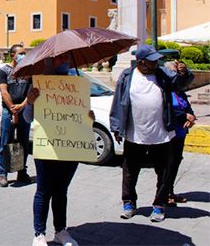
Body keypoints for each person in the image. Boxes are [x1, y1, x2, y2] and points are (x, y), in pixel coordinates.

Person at [110, 45, 193, 222]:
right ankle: (129, 203)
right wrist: (116, 127)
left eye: (156, 60)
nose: (156, 63)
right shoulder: (126, 76)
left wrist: (184, 73)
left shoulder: (163, 74)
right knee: (130, 172)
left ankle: (159, 206)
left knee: (163, 173)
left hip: (161, 134)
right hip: (135, 135)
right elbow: (118, 102)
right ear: (141, 62)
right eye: (152, 60)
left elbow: (181, 84)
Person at [24, 54, 93, 246]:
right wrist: (29, 102)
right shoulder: (37, 85)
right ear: (49, 62)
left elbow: (82, 115)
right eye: (60, 59)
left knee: (61, 190)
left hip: (69, 147)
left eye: (67, 59)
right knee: (44, 191)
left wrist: (89, 116)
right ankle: (39, 234)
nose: (65, 62)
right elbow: (28, 118)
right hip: (47, 147)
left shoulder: (76, 84)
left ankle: (61, 231)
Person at [0, 44, 32, 187]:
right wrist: (13, 110)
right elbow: (4, 92)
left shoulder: (28, 71)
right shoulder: (4, 71)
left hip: (24, 111)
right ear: (13, 55)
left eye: (25, 53)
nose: (24, 55)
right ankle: (3, 173)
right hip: (8, 112)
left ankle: (21, 171)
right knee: (6, 142)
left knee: (23, 143)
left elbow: (31, 91)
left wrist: (23, 106)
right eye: (21, 53)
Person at [164, 61, 197, 207]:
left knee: (176, 161)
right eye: (173, 71)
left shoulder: (179, 90)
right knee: (168, 163)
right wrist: (184, 116)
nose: (176, 74)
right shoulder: (164, 89)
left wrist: (191, 116)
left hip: (181, 132)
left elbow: (187, 106)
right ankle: (164, 194)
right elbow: (166, 110)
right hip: (169, 131)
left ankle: (170, 191)